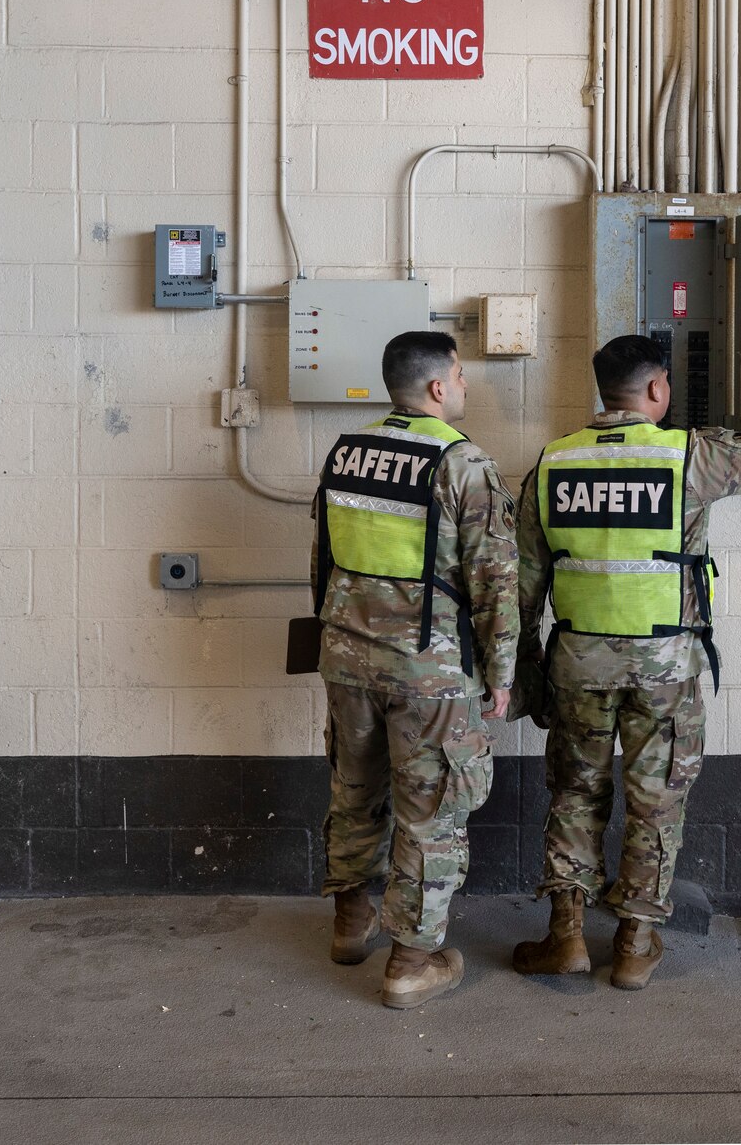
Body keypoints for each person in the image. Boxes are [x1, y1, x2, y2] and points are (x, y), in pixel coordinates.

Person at [512, 318, 741, 989]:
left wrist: (525, 677)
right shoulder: (687, 457)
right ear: (655, 389)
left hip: (577, 664)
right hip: (665, 670)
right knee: (656, 801)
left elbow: (522, 587)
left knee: (574, 795)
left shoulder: (552, 464)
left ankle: (565, 937)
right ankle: (635, 944)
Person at [311, 330, 518, 1010]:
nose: (464, 385)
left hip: (345, 657)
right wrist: (501, 670)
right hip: (424, 669)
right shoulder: (462, 463)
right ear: (437, 386)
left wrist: (337, 636)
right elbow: (495, 582)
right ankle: (411, 960)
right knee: (431, 810)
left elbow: (323, 561)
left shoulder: (346, 451)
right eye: (460, 374)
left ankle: (350, 922)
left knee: (354, 786)